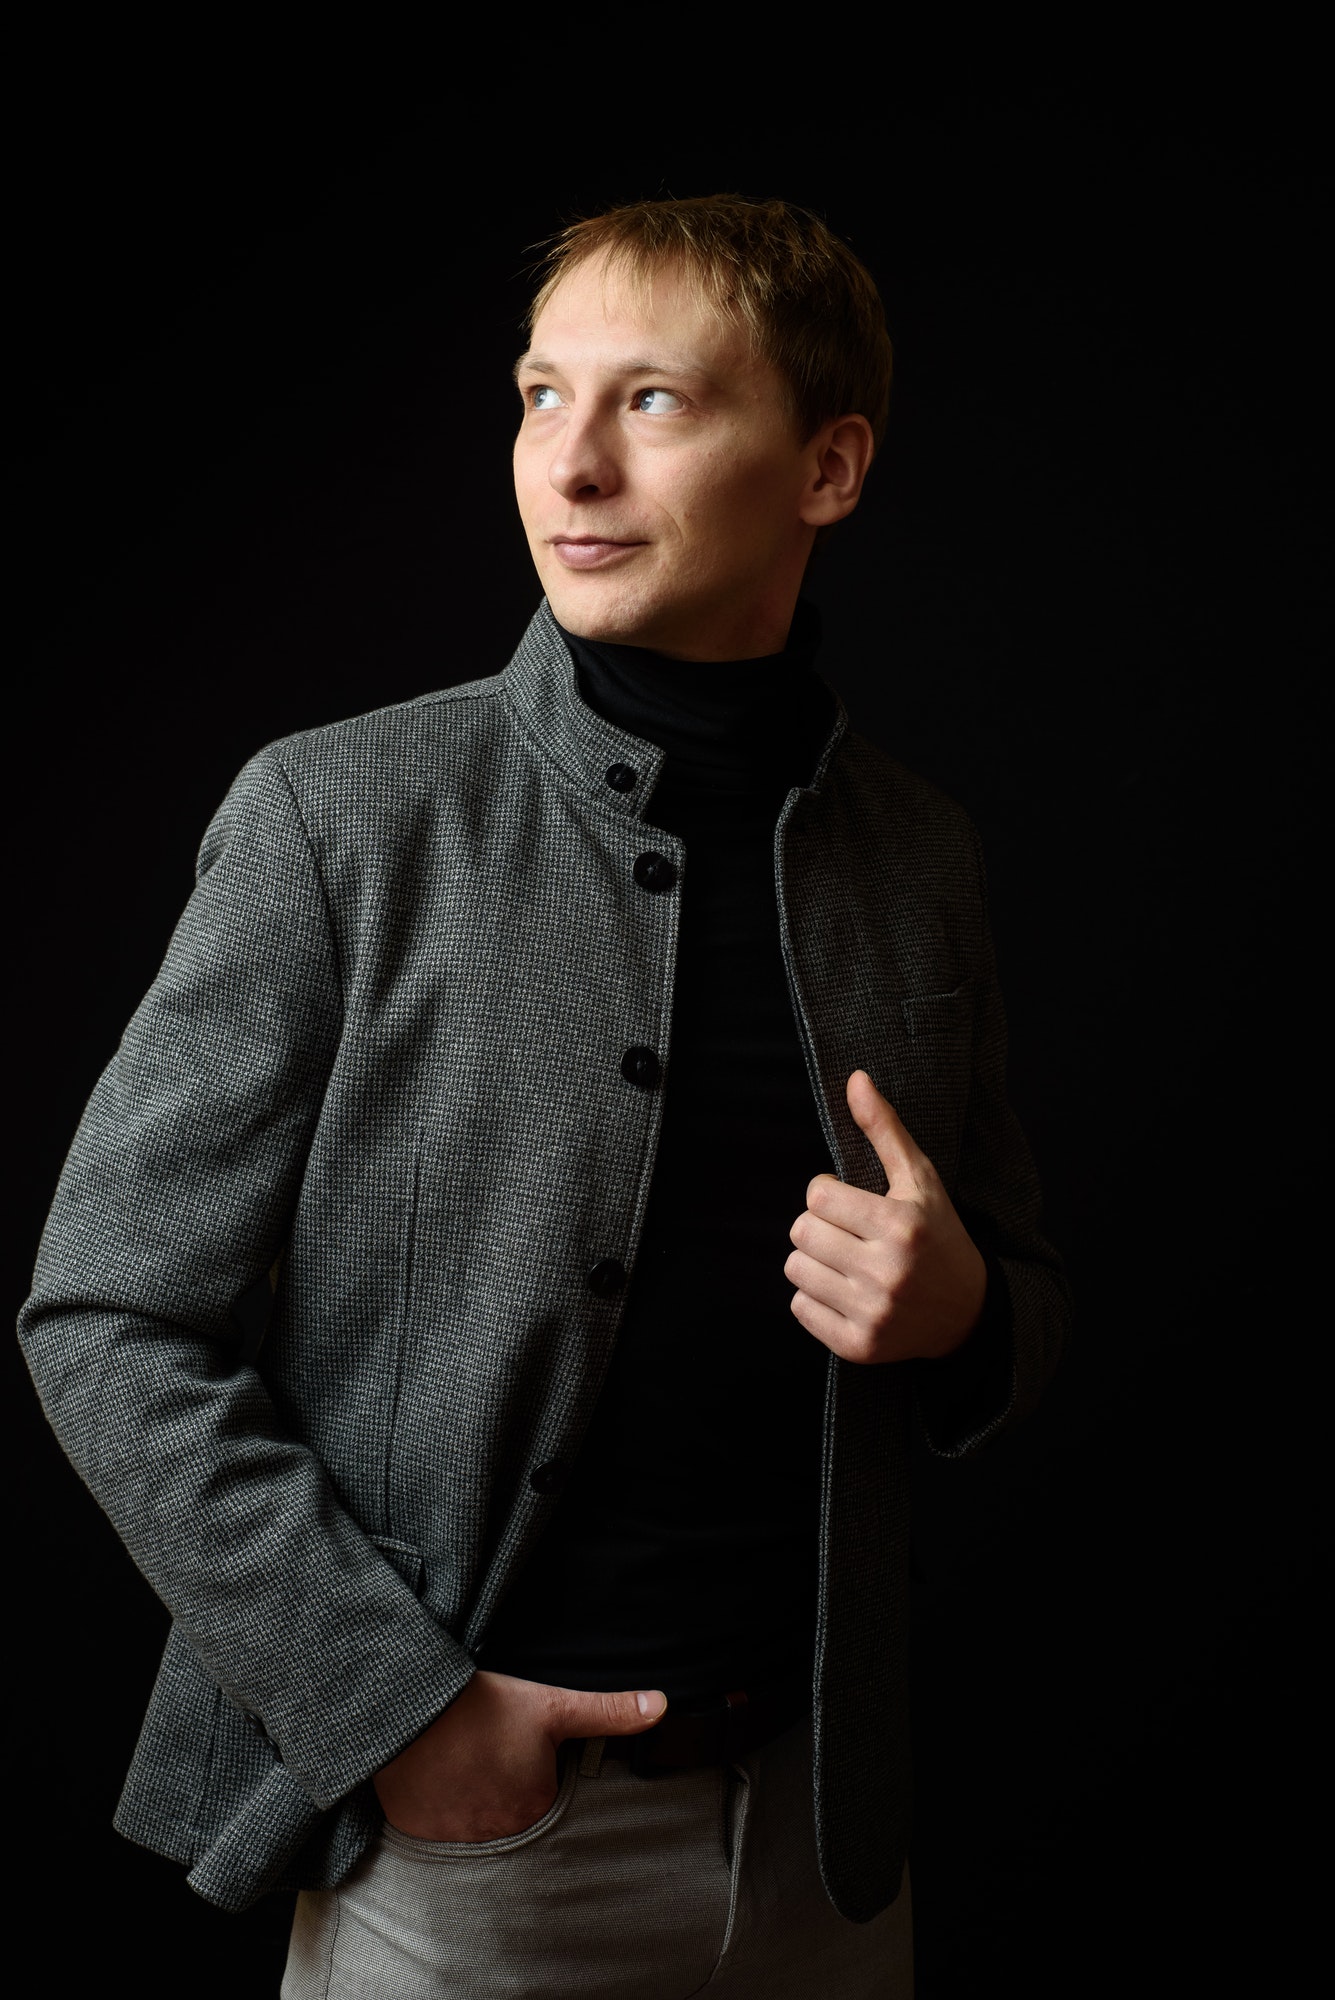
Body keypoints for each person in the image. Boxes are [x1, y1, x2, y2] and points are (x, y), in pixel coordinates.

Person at [18, 195, 1070, 1997]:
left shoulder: (922, 859)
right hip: (470, 1846)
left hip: (829, 1846)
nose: (567, 464)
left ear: (829, 465)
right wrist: (399, 1712)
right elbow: (107, 1316)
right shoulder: (336, 820)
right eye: (536, 394)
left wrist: (968, 1314)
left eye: (652, 401)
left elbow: (1017, 1299)